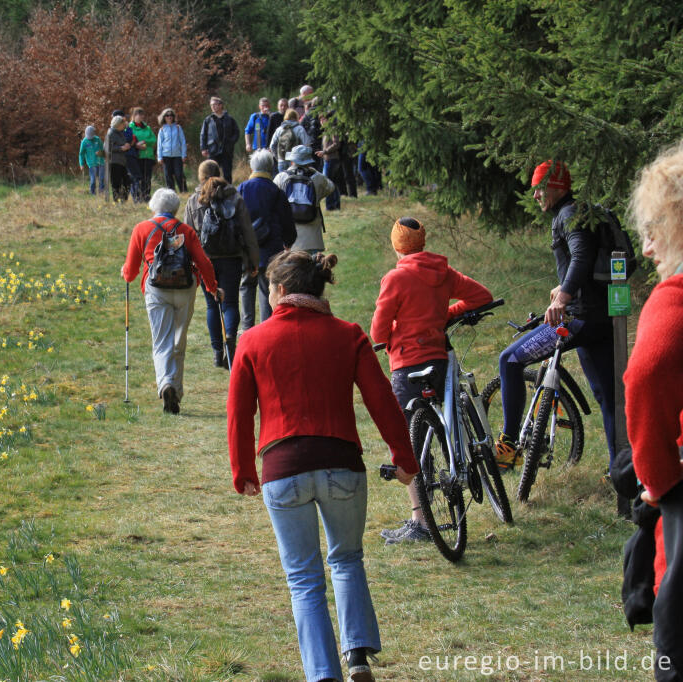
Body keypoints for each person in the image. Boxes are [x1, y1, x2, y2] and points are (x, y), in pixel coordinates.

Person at [227, 250, 419, 682]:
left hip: (282, 467)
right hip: (342, 465)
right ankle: (357, 658)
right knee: (347, 559)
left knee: (303, 577)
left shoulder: (252, 341)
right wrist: (403, 459)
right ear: (317, 288)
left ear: (279, 291)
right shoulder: (348, 335)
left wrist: (243, 469)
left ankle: (322, 673)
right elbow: (383, 402)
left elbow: (239, 412)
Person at [370, 217, 493, 545]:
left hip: (407, 365)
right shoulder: (442, 272)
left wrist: (395, 332)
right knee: (439, 420)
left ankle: (420, 520)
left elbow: (378, 332)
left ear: (396, 247)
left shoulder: (395, 278)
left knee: (410, 439)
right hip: (438, 359)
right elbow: (481, 296)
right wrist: (447, 315)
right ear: (422, 241)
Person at [494, 160, 618, 473]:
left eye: (539, 188)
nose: (535, 195)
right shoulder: (579, 210)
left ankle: (508, 447)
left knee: (509, 360)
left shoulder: (567, 215)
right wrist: (563, 284)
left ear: (556, 187)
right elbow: (586, 260)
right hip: (604, 319)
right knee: (610, 397)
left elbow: (582, 255)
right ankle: (621, 467)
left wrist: (564, 295)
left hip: (577, 320)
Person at [625, 139, 683, 681]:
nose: (646, 250)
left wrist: (658, 484)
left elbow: (645, 379)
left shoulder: (673, 299)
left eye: (651, 232)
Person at [122, 188, 222, 414]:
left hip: (156, 290)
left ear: (153, 206)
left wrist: (126, 274)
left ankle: (166, 383)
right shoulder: (186, 230)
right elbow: (204, 263)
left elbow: (130, 270)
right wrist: (212, 287)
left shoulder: (142, 229)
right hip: (185, 288)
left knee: (161, 342)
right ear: (175, 208)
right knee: (179, 340)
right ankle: (176, 389)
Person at [184, 160, 259, 368]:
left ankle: (217, 352)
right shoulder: (234, 197)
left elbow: (188, 234)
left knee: (212, 306)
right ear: (220, 173)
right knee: (230, 303)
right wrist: (254, 260)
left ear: (200, 177)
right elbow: (247, 231)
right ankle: (230, 344)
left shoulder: (193, 201)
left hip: (204, 260)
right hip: (232, 257)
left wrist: (190, 263)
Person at [238, 149, 296, 330]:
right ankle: (266, 329)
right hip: (271, 251)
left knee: (246, 287)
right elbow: (287, 222)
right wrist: (288, 242)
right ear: (271, 168)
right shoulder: (276, 191)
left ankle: (247, 329)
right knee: (268, 290)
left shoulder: (241, 189)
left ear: (252, 167)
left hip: (247, 250)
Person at [274, 145, 335, 254]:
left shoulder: (281, 177)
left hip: (289, 239)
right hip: (312, 239)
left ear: (292, 160)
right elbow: (331, 187)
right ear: (309, 162)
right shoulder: (317, 177)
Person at [200, 96, 240, 184]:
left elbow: (236, 133)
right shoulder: (208, 120)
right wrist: (203, 148)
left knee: (227, 173)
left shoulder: (229, 119)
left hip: (226, 150)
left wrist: (231, 142)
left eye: (215, 105)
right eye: (211, 105)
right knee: (212, 174)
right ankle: (212, 191)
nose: (213, 107)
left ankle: (228, 191)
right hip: (213, 150)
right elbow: (203, 135)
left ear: (221, 105)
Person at [156, 108, 187, 192]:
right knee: (168, 175)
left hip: (177, 155)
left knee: (179, 174)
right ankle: (171, 193)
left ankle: (183, 191)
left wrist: (184, 154)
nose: (169, 117)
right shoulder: (162, 129)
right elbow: (159, 144)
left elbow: (183, 142)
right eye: (167, 115)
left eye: (171, 115)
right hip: (166, 156)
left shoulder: (178, 127)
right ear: (164, 117)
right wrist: (159, 157)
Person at [129, 107, 157, 201]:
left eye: (142, 114)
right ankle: (137, 197)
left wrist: (145, 141)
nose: (141, 116)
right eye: (138, 114)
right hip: (137, 156)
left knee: (147, 178)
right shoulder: (130, 127)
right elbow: (128, 140)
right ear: (134, 116)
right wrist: (136, 145)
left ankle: (146, 196)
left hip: (148, 155)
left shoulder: (147, 128)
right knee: (137, 178)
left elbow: (153, 140)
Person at [318, 113, 343, 211]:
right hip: (327, 159)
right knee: (332, 183)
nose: (322, 122)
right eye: (321, 120)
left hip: (332, 159)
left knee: (328, 184)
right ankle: (335, 205)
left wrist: (325, 151)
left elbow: (336, 144)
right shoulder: (326, 131)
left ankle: (331, 206)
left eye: (324, 119)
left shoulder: (332, 130)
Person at [104, 115, 132, 202]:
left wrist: (126, 146)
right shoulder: (110, 133)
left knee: (127, 181)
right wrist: (121, 148)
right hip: (114, 162)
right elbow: (106, 148)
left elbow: (125, 141)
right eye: (123, 123)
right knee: (116, 183)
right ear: (118, 124)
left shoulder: (121, 133)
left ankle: (123, 200)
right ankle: (117, 201)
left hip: (123, 161)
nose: (124, 125)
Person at [78, 125, 105, 196]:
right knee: (93, 180)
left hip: (100, 162)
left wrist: (100, 152)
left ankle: (101, 192)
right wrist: (81, 164)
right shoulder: (84, 142)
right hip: (91, 164)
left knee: (101, 179)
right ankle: (92, 193)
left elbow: (104, 150)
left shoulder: (97, 139)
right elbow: (81, 154)